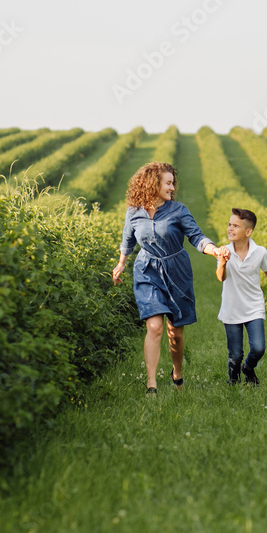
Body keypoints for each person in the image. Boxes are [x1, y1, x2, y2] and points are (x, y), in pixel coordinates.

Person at [112, 162, 227, 395]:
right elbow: (128, 240)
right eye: (168, 182)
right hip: (147, 271)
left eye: (173, 183)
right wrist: (121, 263)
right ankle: (151, 384)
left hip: (177, 271)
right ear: (153, 183)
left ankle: (177, 372)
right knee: (154, 327)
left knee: (175, 332)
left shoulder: (178, 210)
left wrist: (214, 250)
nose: (172, 187)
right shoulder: (134, 212)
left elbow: (196, 236)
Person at [215, 208, 267, 385]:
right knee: (235, 353)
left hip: (254, 306)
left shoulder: (260, 252)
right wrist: (222, 262)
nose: (230, 229)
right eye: (229, 225)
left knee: (258, 348)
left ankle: (248, 368)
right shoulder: (224, 251)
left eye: (236, 226)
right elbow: (221, 277)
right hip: (231, 307)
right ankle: (233, 382)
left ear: (248, 232)